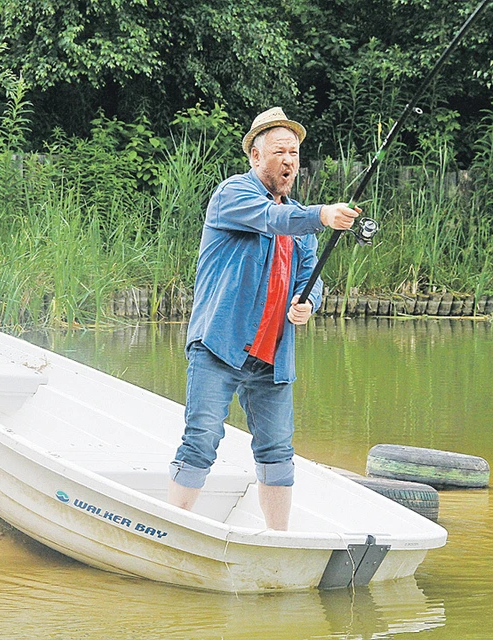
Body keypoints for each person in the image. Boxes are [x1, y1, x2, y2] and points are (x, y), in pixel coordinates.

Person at [167, 107, 360, 531]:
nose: (289, 160)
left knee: (277, 450)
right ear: (256, 158)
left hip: (272, 356)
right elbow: (273, 220)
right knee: (201, 440)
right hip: (219, 343)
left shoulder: (300, 219)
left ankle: (279, 538)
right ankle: (172, 530)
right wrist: (321, 214)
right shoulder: (233, 195)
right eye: (278, 151)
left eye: (294, 152)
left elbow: (311, 277)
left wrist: (307, 303)